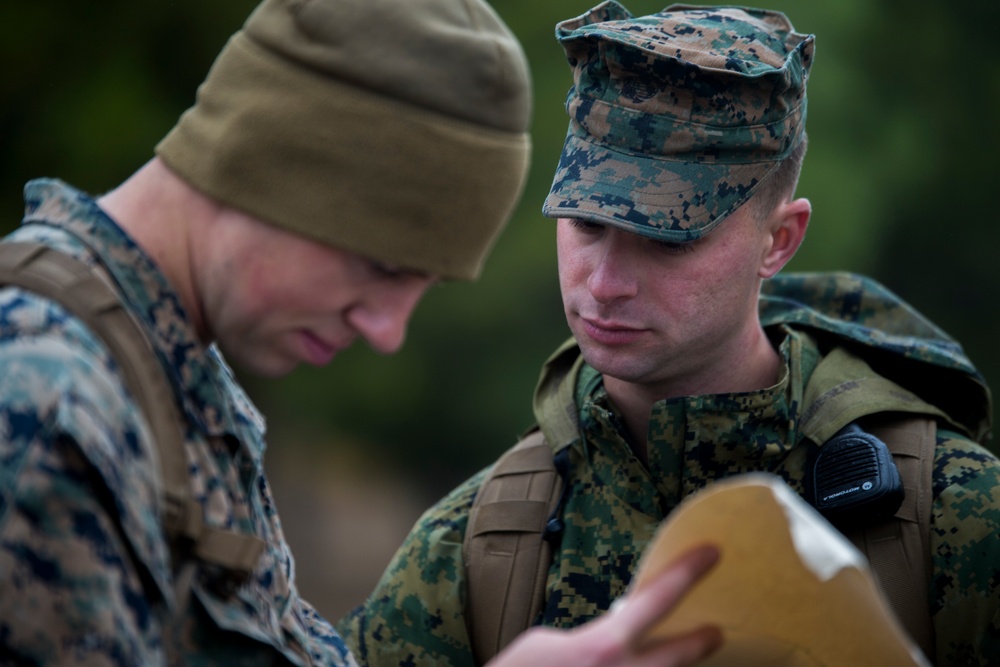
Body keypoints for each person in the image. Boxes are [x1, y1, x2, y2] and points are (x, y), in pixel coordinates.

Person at [0, 0, 731, 664]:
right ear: (258, 160)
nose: (387, 331)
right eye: (380, 265)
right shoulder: (44, 404)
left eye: (424, 283)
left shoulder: (169, 370)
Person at [337, 3, 1000, 666]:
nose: (604, 283)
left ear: (780, 240)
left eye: (665, 238)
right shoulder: (475, 548)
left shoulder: (952, 518)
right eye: (586, 223)